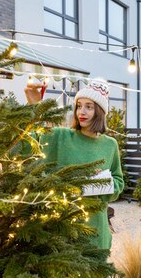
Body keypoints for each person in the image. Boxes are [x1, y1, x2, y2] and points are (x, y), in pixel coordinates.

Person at [24, 80, 124, 249]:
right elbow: (29, 142)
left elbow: (118, 183)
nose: (81, 112)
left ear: (99, 111)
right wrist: (34, 106)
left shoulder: (110, 144)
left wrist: (101, 182)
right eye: (79, 105)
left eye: (89, 107)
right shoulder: (61, 137)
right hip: (61, 228)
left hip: (96, 229)